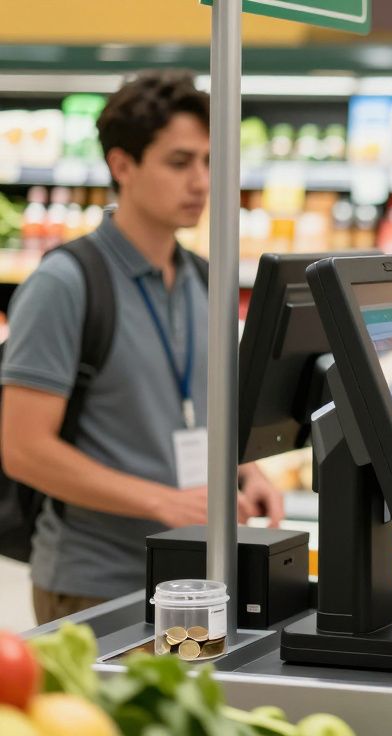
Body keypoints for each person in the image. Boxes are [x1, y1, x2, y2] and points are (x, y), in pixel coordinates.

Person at [1, 70, 284, 625]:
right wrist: (165, 502)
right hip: (96, 585)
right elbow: (23, 448)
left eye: (208, 161)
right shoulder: (67, 284)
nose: (202, 182)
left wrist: (249, 474)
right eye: (179, 163)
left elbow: (209, 413)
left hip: (201, 578)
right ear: (122, 166)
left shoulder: (208, 280)